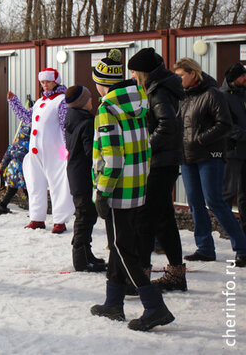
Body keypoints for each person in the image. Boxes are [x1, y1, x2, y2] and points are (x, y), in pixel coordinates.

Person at [89, 50, 175, 331]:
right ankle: (113, 302)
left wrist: (102, 191)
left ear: (103, 83)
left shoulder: (107, 110)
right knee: (118, 245)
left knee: (123, 249)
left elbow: (112, 158)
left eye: (96, 82)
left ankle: (154, 307)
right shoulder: (137, 102)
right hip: (137, 186)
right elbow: (145, 147)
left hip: (117, 189)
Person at [174, 57, 246, 267]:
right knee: (195, 203)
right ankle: (205, 248)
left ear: (193, 73)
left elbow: (224, 124)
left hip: (210, 157)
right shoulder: (182, 97)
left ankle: (242, 247)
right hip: (187, 157)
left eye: (181, 76)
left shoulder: (212, 94)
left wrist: (201, 139)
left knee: (215, 202)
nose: (178, 80)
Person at [128, 48, 186, 290]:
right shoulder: (159, 87)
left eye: (133, 71)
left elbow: (167, 123)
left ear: (144, 72)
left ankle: (141, 276)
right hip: (165, 162)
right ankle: (175, 274)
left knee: (146, 218)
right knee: (163, 218)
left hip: (160, 162)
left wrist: (146, 146)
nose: (131, 76)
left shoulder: (159, 90)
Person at [7, 67, 73, 233]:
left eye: (48, 82)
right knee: (35, 185)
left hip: (55, 152)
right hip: (36, 152)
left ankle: (60, 220)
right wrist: (14, 102)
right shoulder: (40, 102)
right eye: (42, 82)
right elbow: (27, 118)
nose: (45, 85)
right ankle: (36, 217)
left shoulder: (62, 100)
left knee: (59, 185)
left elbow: (66, 126)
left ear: (55, 82)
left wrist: (68, 148)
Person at [64, 85, 106, 272]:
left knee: (86, 214)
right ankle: (80, 258)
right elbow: (91, 152)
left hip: (75, 173)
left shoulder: (72, 117)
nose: (92, 101)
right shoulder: (87, 122)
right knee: (85, 215)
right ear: (82, 102)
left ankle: (86, 253)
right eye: (88, 99)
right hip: (83, 174)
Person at [221, 62, 246, 237]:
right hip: (232, 151)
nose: (245, 78)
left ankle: (243, 228)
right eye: (242, 76)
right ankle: (226, 229)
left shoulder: (243, 93)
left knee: (244, 193)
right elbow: (226, 125)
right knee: (228, 192)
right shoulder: (222, 96)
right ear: (233, 78)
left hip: (245, 150)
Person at [0, 123, 30, 216]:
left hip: (12, 172)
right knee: (29, 192)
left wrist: (1, 168)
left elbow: (6, 158)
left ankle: (2, 206)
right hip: (25, 173)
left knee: (11, 190)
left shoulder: (13, 145)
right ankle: (34, 210)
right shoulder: (31, 146)